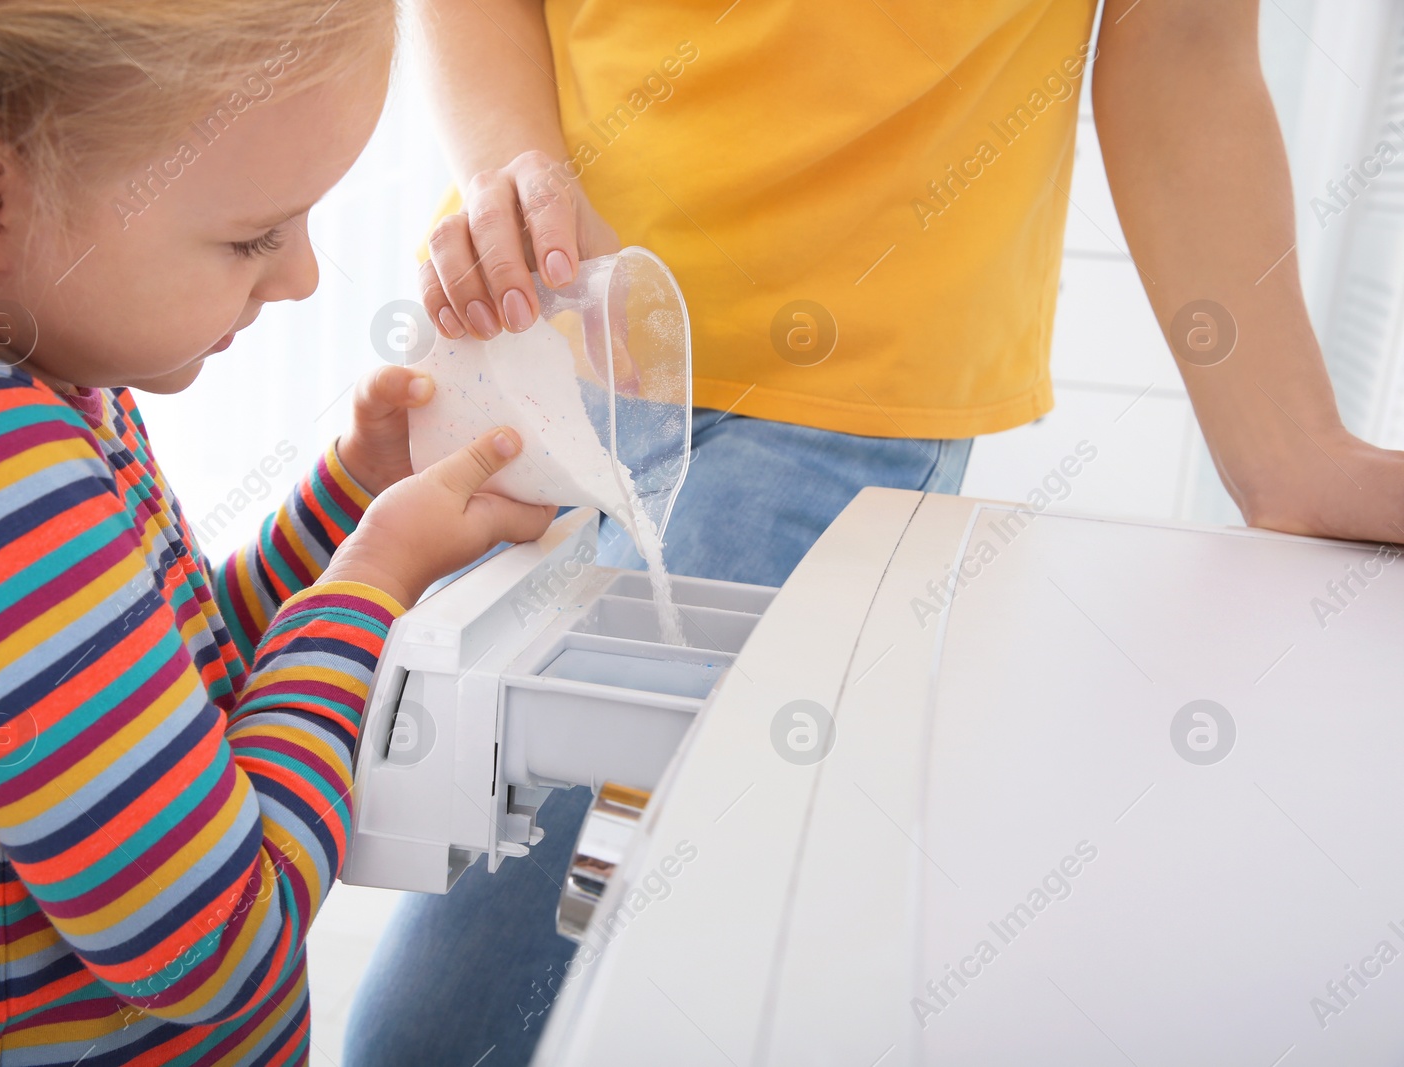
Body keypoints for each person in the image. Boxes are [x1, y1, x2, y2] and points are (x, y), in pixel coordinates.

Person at [344, 1, 1404, 1064]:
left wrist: (1288, 447)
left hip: (837, 402)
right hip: (533, 330)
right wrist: (508, 167)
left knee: (460, 1021)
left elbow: (1181, 37)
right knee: (439, 887)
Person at [0, 1, 557, 1061]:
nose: (299, 278)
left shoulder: (14, 383)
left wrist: (348, 498)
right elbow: (214, 944)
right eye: (253, 236)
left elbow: (173, 692)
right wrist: (371, 582)